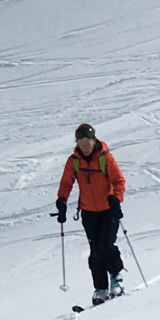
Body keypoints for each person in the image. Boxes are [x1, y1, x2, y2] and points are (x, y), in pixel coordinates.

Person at [55, 123, 127, 305]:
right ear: (77, 143)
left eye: (88, 142)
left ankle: (116, 279)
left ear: (94, 141)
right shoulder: (74, 161)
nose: (85, 146)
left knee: (106, 246)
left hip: (108, 210)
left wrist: (116, 199)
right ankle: (100, 288)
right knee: (95, 251)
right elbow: (66, 183)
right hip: (88, 212)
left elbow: (119, 181)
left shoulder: (105, 158)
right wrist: (62, 201)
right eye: (81, 142)